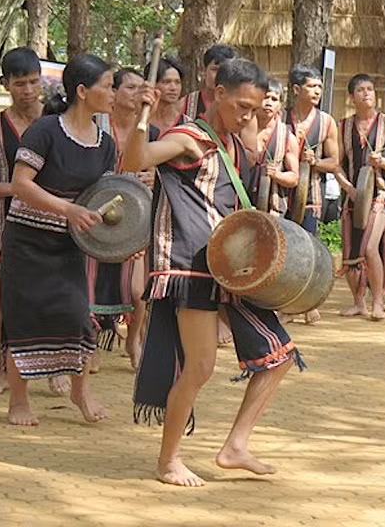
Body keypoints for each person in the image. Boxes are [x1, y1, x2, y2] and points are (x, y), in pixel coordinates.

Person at [125, 58, 304, 487]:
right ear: (218, 94)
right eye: (241, 106)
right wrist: (139, 118)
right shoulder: (188, 136)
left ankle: (235, 446)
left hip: (226, 269)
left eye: (254, 110)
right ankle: (168, 461)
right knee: (201, 366)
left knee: (278, 354)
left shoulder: (229, 143)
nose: (246, 116)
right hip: (191, 268)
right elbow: (137, 160)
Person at [0, 53, 117, 426]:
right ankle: (19, 400)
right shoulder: (46, 130)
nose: (113, 93)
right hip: (28, 241)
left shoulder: (106, 143)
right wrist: (67, 210)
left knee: (77, 317)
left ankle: (80, 391)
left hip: (70, 245)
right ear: (82, 92)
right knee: (24, 317)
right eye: (108, 87)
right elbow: (21, 185)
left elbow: (104, 196)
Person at [0, 47, 56, 396]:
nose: (29, 91)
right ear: (7, 84)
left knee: (49, 301)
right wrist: (17, 189)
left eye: (34, 82)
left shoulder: (57, 121)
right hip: (2, 228)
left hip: (50, 226)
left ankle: (54, 368)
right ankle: (0, 370)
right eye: (20, 84)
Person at [89, 68, 158, 370]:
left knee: (137, 289)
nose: (138, 94)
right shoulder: (96, 127)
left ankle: (134, 338)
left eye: (142, 88)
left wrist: (154, 176)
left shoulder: (150, 132)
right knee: (88, 283)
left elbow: (161, 170)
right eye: (130, 88)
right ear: (113, 93)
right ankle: (89, 344)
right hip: (96, 212)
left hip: (136, 215)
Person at [334, 74, 385, 321]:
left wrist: (382, 161)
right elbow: (337, 165)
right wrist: (348, 188)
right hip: (352, 197)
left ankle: (378, 301)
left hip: (380, 195)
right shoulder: (343, 127)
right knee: (351, 253)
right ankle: (358, 302)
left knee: (370, 247)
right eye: (361, 90)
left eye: (370, 89)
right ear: (351, 97)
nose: (367, 93)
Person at [287, 65, 339, 323]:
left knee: (309, 247)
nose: (317, 91)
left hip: (311, 195)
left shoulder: (326, 122)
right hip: (281, 194)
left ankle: (308, 303)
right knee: (286, 249)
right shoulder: (280, 119)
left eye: (319, 87)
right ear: (296, 89)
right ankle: (285, 303)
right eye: (311, 86)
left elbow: (335, 162)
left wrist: (315, 161)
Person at [254, 78, 299, 217]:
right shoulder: (241, 128)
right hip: (241, 202)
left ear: (280, 105)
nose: (268, 103)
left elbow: (294, 178)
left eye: (274, 99)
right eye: (265, 97)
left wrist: (276, 175)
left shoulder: (287, 137)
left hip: (273, 209)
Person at [179, 44, 238, 119]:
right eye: (214, 69)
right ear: (204, 71)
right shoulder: (186, 104)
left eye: (224, 71)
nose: (219, 76)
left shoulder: (238, 106)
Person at [146, 57, 187, 134]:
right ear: (152, 84)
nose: (173, 88)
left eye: (177, 82)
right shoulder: (141, 121)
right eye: (166, 82)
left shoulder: (187, 124)